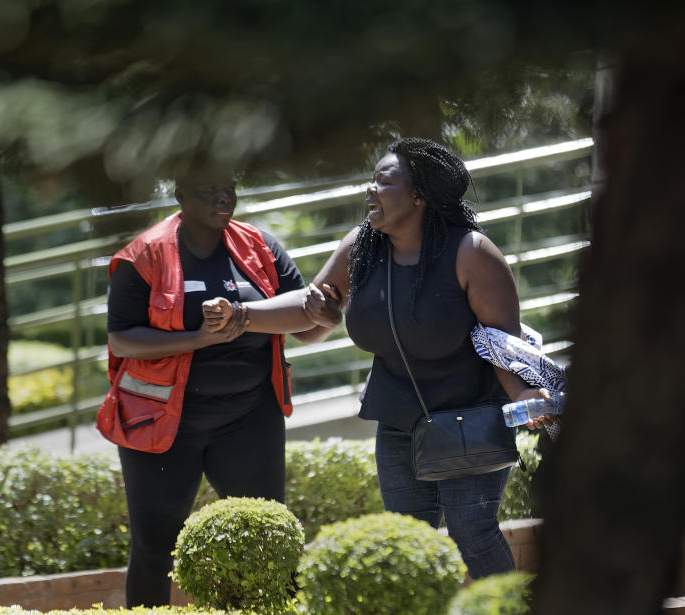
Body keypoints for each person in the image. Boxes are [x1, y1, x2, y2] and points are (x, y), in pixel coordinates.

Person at [208, 137, 549, 579]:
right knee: (407, 538)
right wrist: (240, 315)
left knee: (473, 532)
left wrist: (525, 393)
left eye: (383, 182)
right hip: (398, 419)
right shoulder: (362, 246)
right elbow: (312, 311)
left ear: (419, 195)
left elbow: (503, 344)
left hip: (471, 416)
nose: (370, 190)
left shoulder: (471, 253)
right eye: (371, 180)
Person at [102, 166, 328, 608]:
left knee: (266, 536)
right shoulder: (144, 254)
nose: (224, 197)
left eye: (230, 189)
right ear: (181, 193)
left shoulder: (260, 247)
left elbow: (303, 310)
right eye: (210, 189)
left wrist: (319, 309)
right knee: (155, 548)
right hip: (164, 422)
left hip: (249, 415)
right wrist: (197, 339)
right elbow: (121, 338)